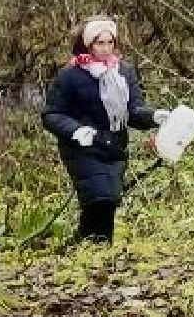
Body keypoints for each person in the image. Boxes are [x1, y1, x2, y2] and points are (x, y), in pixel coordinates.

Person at [40, 17, 170, 242]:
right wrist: (76, 130)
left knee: (107, 203)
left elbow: (133, 111)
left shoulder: (124, 72)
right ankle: (92, 250)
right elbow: (51, 114)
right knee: (99, 198)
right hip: (82, 149)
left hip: (114, 148)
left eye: (110, 42)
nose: (106, 48)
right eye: (100, 43)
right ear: (88, 44)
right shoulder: (70, 75)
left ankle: (89, 248)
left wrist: (154, 117)